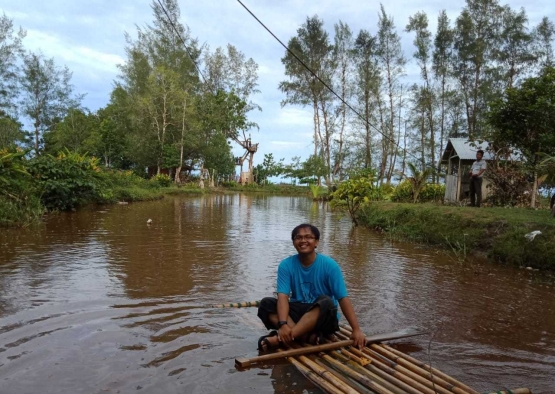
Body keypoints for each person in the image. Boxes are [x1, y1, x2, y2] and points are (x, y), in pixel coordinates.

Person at [257, 223, 366, 352]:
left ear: (316, 242)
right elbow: (283, 296)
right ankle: (304, 336)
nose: (303, 240)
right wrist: (282, 324)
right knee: (266, 303)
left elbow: (343, 298)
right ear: (293, 242)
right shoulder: (286, 265)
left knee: (326, 302)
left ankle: (281, 338)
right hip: (297, 314)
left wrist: (356, 329)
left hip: (322, 318)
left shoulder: (330, 266)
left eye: (308, 237)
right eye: (298, 237)